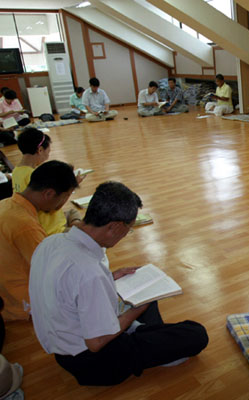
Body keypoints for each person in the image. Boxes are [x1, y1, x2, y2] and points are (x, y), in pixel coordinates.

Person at [29, 181, 209, 386]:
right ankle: (146, 341)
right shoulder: (89, 272)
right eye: (128, 230)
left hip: (63, 348)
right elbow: (96, 343)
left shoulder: (50, 243)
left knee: (146, 294)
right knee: (196, 333)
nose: (125, 235)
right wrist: (135, 310)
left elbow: (66, 287)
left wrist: (110, 277)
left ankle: (145, 336)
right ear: (114, 227)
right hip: (94, 363)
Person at [0, 160, 78, 322]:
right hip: (20, 302)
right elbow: (52, 271)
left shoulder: (5, 204)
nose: (63, 203)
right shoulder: (25, 225)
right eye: (65, 196)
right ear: (49, 194)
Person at [11, 128, 82, 235]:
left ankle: (75, 227)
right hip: (50, 229)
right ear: (40, 150)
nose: (48, 156)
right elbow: (54, 206)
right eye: (48, 152)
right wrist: (72, 185)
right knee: (84, 231)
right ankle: (74, 230)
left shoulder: (16, 171)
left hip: (41, 220)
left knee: (72, 212)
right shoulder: (34, 176)